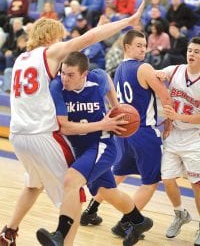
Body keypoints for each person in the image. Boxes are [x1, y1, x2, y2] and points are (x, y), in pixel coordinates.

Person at [0, 2, 145, 246]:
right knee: (74, 195)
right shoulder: (50, 53)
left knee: (33, 185)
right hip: (42, 135)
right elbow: (87, 39)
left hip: (18, 135)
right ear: (52, 37)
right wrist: (126, 22)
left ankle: (8, 233)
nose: (63, 41)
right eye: (60, 37)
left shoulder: (20, 60)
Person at [38, 51, 154, 246]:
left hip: (102, 145)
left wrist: (117, 107)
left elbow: (107, 79)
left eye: (71, 75)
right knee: (107, 192)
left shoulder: (96, 78)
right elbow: (65, 126)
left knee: (71, 181)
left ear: (84, 74)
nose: (65, 78)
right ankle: (139, 221)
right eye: (63, 73)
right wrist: (103, 123)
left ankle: (59, 235)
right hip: (81, 147)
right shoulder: (57, 86)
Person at [81, 29, 173, 238]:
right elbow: (165, 97)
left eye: (145, 45)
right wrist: (168, 124)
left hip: (123, 132)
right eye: (139, 45)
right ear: (127, 47)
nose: (143, 49)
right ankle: (127, 223)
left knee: (118, 174)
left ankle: (91, 210)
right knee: (150, 181)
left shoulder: (119, 69)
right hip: (144, 132)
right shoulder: (145, 67)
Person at [157, 37, 200, 246]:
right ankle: (180, 214)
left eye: (197, 52)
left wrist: (178, 117)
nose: (191, 54)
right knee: (167, 179)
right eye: (190, 50)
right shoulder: (175, 70)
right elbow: (160, 74)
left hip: (195, 137)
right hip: (174, 134)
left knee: (197, 185)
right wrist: (158, 74)